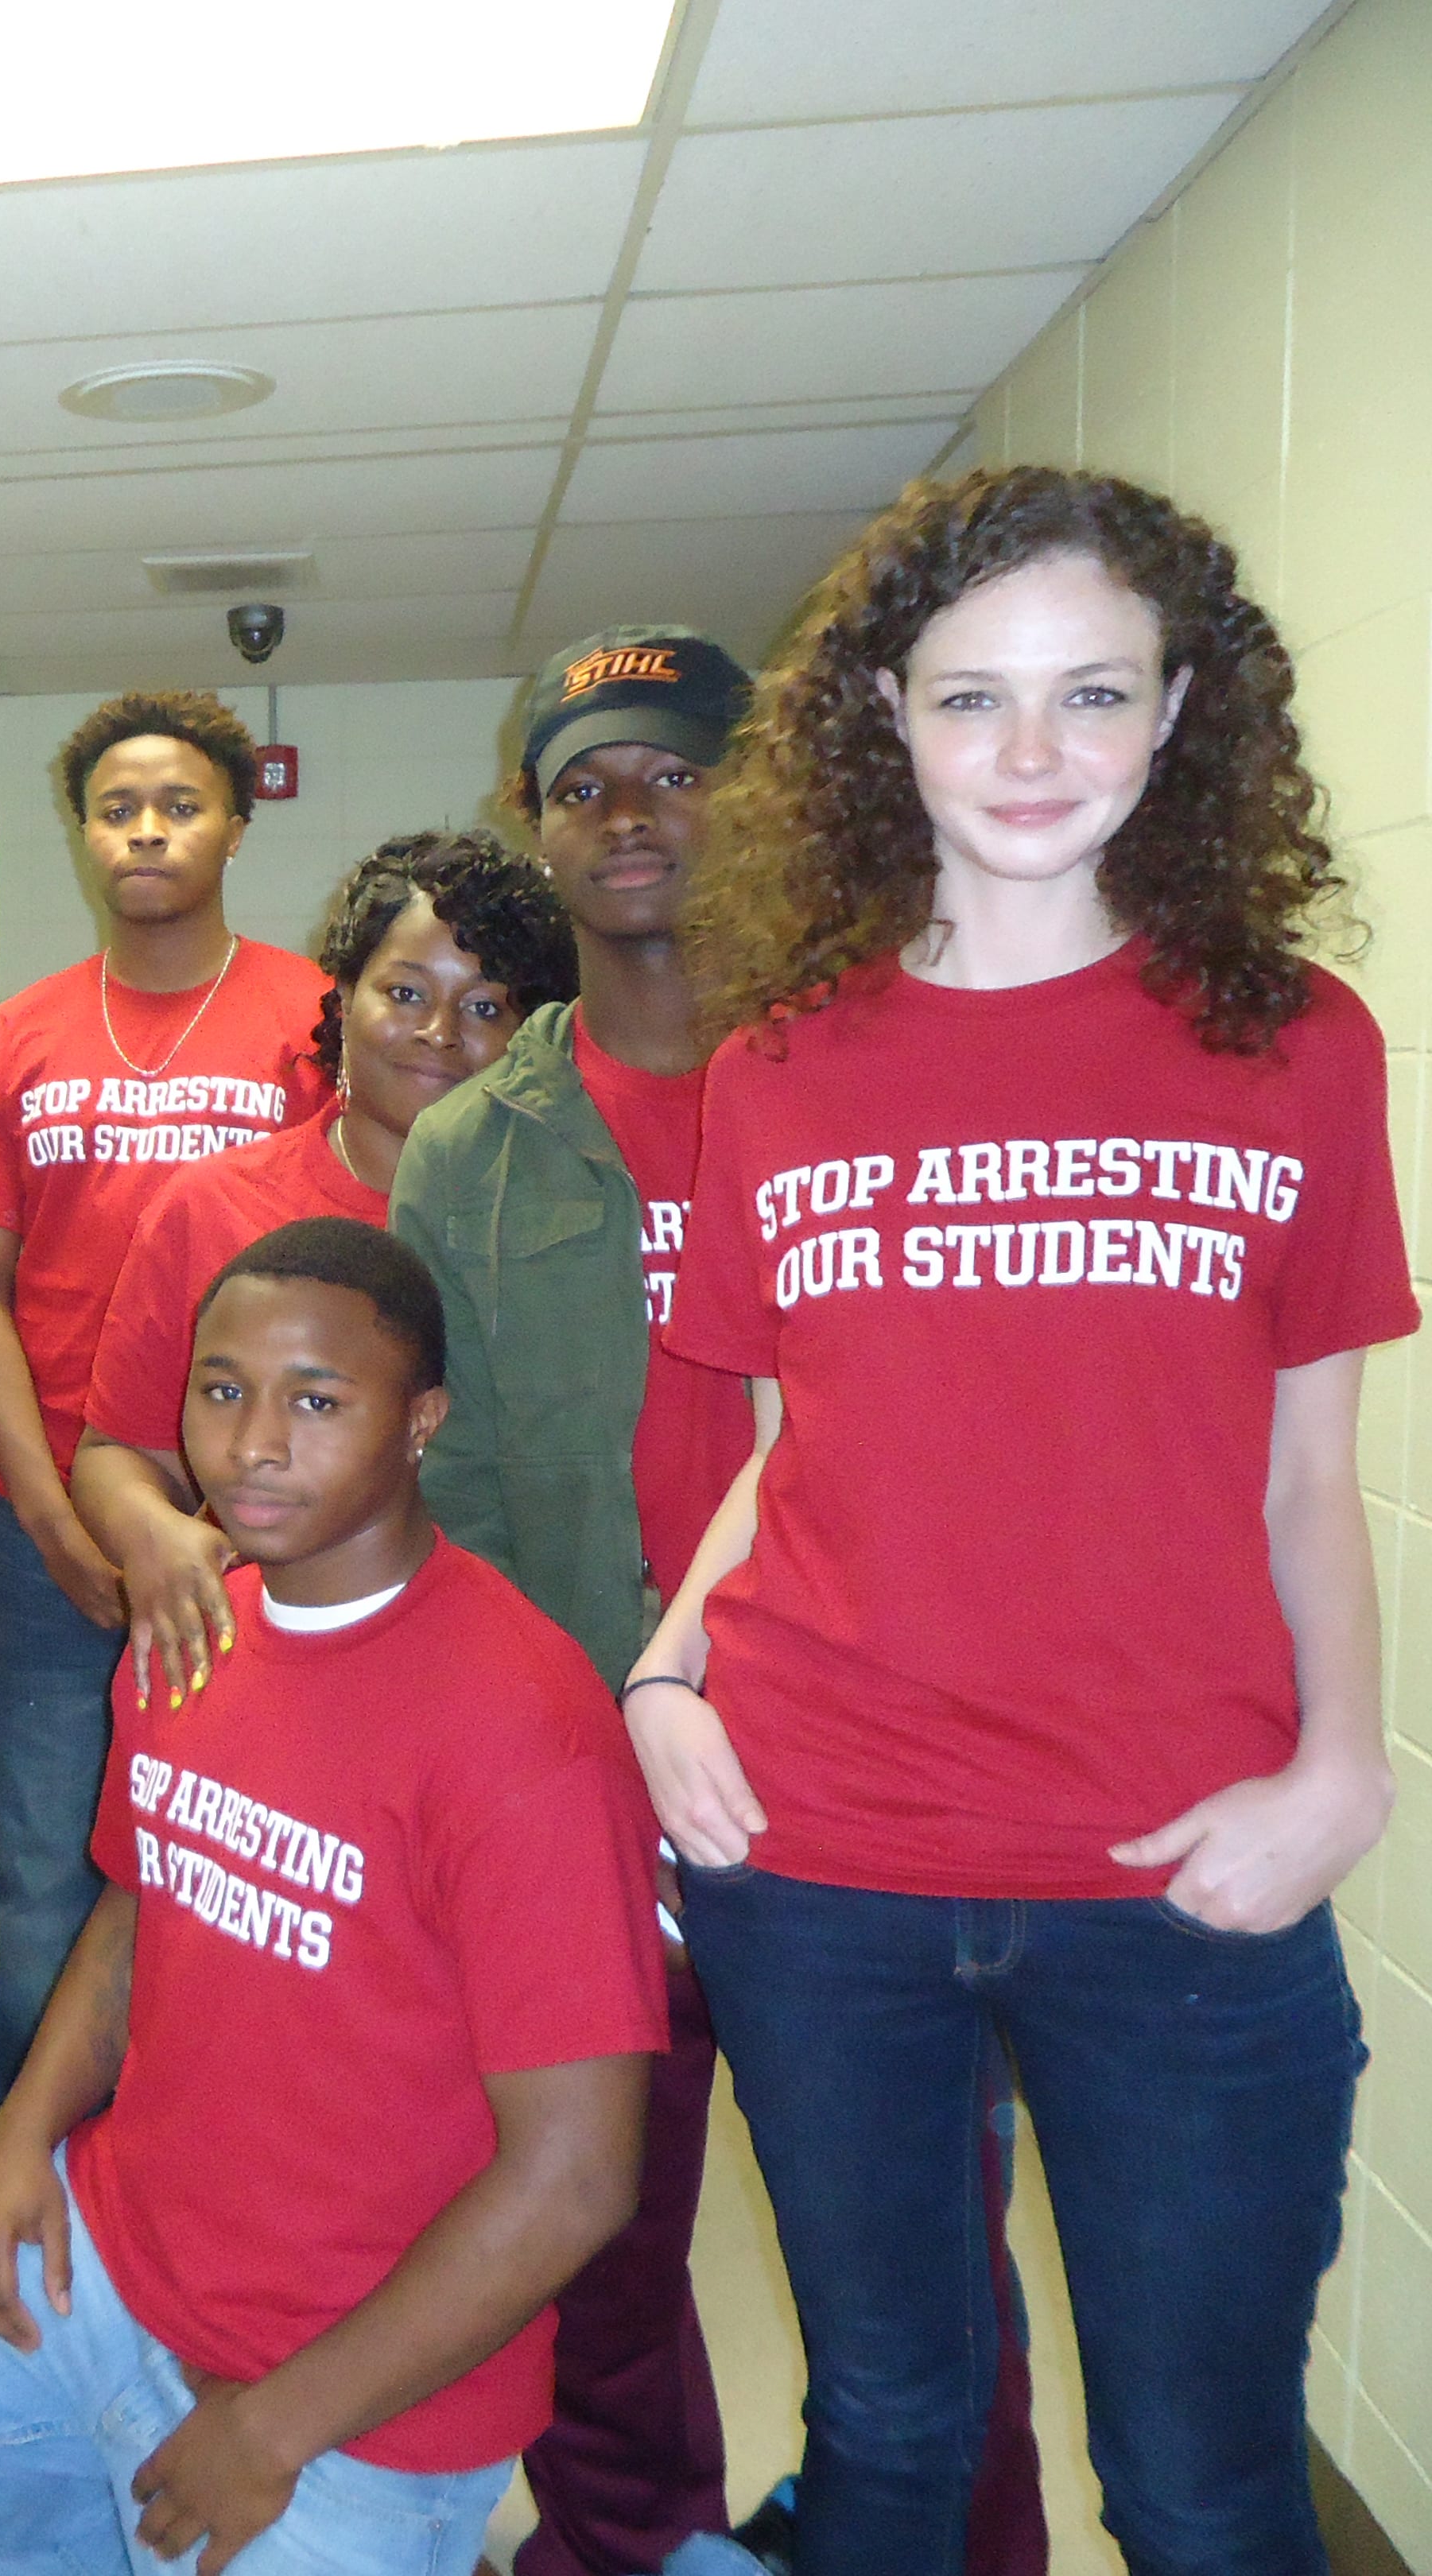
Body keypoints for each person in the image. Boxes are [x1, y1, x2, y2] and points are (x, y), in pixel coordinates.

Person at [630, 467, 1411, 2576]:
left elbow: (1303, 1477)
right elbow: (790, 1456)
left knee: (1201, 2482)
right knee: (890, 2428)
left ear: (1179, 719)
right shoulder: (780, 1064)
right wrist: (659, 1673)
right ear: (887, 715)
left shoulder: (1294, 1052)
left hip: (1181, 1875)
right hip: (824, 1863)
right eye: (975, 698)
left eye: (1094, 692)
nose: (1035, 752)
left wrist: (1344, 1774)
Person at [0, 1219, 667, 2576]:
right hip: (114, 2268)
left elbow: (575, 2179)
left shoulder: (525, 1726)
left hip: (356, 2401)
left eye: (317, 1401)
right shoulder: (190, 1631)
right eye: (222, 1391)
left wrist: (271, 2431)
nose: (254, 1442)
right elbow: (139, 1919)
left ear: (423, 1418)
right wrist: (19, 2141)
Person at [390, 627, 1046, 2576]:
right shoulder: (469, 1150)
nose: (629, 814)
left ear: (753, 796)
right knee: (593, 2227)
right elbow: (471, 1493)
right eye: (587, 781)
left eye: (674, 772)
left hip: (860, 1785)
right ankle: (622, 2538)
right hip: (589, 1781)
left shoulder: (891, 1076)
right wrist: (558, 1768)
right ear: (540, 823)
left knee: (914, 2267)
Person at [0, 689, 335, 2093]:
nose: (146, 829)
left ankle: (219, 2144)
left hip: (266, 1530)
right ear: (82, 835)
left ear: (233, 824)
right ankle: (29, 2176)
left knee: (254, 1862)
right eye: (115, 808)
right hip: (49, 1539)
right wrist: (43, 1507)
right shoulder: (15, 1040)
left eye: (179, 804)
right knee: (45, 1873)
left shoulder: (314, 1022)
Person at [77, 832, 572, 1709]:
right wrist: (151, 1534)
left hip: (499, 1669)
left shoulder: (562, 1227)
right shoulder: (214, 1206)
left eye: (486, 1008)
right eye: (405, 992)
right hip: (274, 1657)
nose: (439, 1033)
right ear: (343, 998)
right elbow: (118, 1450)